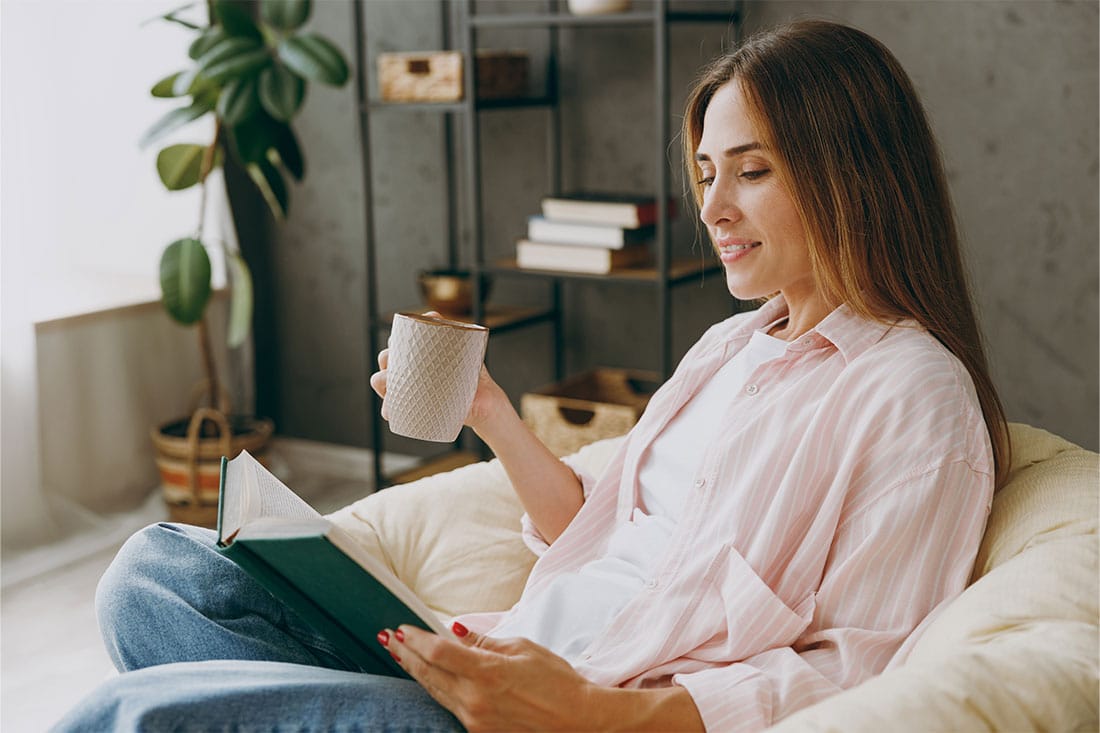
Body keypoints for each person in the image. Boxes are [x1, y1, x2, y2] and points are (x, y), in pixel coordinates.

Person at [55, 19, 1009, 732]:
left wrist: (597, 710)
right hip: (490, 659)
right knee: (152, 576)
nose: (713, 206)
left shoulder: (911, 395)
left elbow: (864, 669)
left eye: (750, 171)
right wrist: (491, 413)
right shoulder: (731, 348)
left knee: (130, 713)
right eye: (707, 171)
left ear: (851, 173)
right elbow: (594, 532)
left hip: (563, 712)